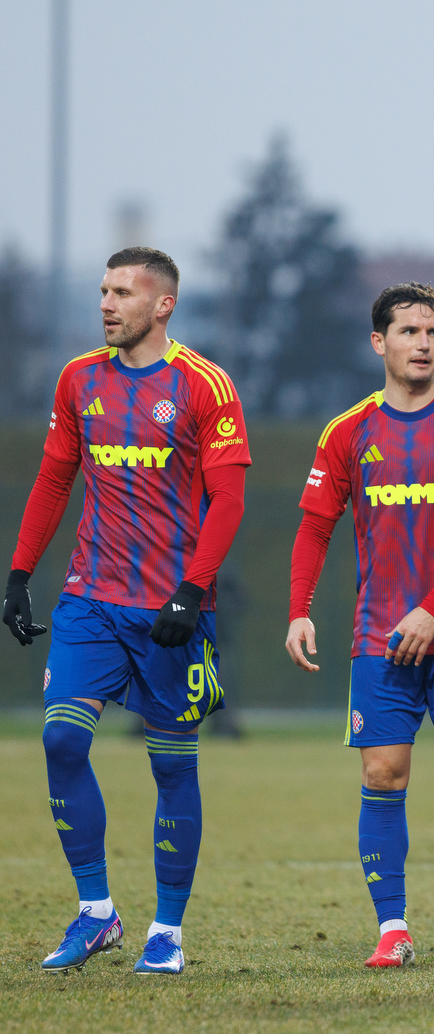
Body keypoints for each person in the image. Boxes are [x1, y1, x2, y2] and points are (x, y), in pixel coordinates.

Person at [2, 248, 250, 975]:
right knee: (60, 742)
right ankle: (97, 913)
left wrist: (193, 589)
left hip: (171, 609)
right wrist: (19, 575)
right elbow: (54, 480)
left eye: (122, 293)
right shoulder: (80, 378)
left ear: (163, 304)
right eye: (102, 290)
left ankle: (167, 930)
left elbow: (229, 500)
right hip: (90, 599)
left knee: (172, 767)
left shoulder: (206, 386)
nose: (106, 304)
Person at [284, 283, 434, 969]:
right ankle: (393, 929)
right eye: (410, 332)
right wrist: (298, 608)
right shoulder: (348, 431)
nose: (424, 343)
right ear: (379, 342)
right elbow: (316, 526)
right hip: (380, 634)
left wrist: (433, 606)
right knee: (383, 773)